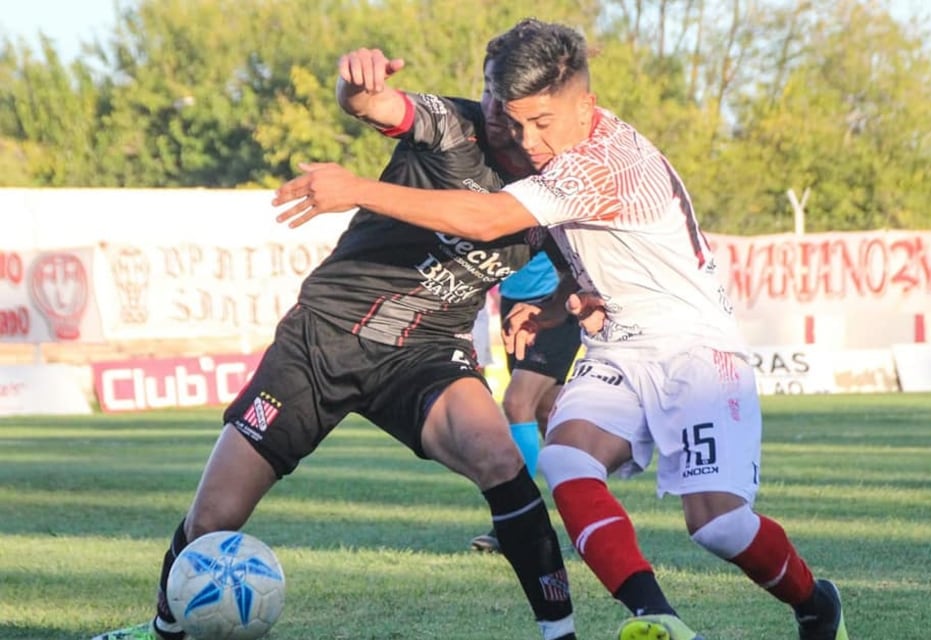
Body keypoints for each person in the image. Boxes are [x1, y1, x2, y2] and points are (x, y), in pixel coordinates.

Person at [271, 18, 849, 640]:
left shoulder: (604, 160)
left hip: (696, 349)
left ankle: (818, 604)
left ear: (586, 107)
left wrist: (360, 190)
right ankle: (657, 620)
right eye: (517, 124)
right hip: (618, 344)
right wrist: (555, 306)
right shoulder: (558, 156)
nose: (529, 140)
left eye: (543, 123)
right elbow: (603, 255)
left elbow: (490, 219)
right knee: (567, 458)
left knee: (718, 526)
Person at [93, 41, 578, 640]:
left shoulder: (565, 183)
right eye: (496, 105)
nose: (512, 128)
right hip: (323, 338)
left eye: (529, 117)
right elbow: (376, 105)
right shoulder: (455, 127)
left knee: (499, 457)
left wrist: (556, 307)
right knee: (214, 518)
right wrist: (356, 83)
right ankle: (163, 631)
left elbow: (580, 272)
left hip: (426, 351)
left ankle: (561, 633)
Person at [470, 251, 582, 553]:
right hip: (512, 302)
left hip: (552, 304)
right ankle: (586, 519)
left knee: (518, 403)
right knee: (549, 416)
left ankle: (517, 523)